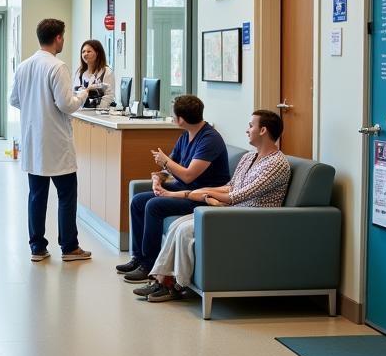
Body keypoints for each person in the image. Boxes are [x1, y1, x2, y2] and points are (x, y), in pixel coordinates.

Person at [136, 109, 291, 302]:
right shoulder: (249, 157)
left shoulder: (277, 164)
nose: (247, 130)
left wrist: (201, 194)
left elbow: (240, 195)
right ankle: (162, 281)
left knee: (184, 230)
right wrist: (203, 193)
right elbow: (230, 187)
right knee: (177, 226)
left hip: (252, 219)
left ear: (263, 131)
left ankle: (175, 284)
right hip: (231, 212)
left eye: (251, 126)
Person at [116, 94, 230, 284]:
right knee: (138, 201)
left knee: (154, 205)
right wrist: (158, 179)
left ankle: (149, 265)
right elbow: (169, 168)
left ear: (181, 119)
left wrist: (165, 162)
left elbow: (188, 175)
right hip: (182, 187)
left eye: (173, 115)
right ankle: (138, 258)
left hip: (199, 194)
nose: (172, 118)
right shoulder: (186, 135)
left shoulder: (210, 139)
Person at [9, 18, 93, 263]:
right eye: (63, 37)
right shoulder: (57, 66)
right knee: (66, 195)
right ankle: (69, 247)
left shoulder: (24, 66)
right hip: (56, 142)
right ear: (58, 38)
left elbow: (14, 100)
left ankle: (37, 247)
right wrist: (83, 94)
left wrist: (35, 106)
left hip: (34, 140)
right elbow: (66, 104)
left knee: (36, 195)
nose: (63, 41)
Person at [74, 38, 115, 109]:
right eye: (83, 52)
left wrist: (98, 109)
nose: (85, 54)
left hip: (99, 113)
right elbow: (74, 93)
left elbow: (109, 95)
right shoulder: (80, 72)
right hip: (81, 111)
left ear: (97, 53)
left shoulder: (106, 72)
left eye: (89, 51)